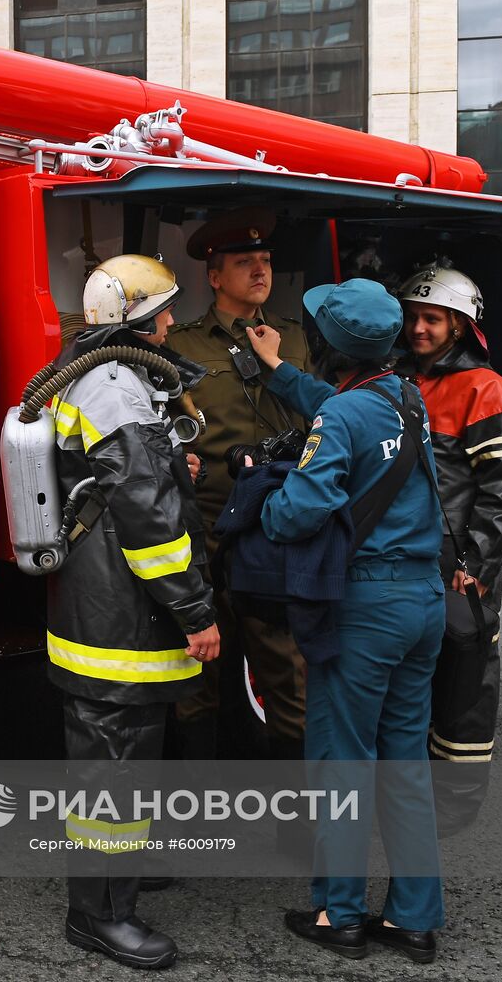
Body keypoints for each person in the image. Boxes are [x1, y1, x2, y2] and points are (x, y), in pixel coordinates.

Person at [245, 279, 446, 964]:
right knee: (406, 763)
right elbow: (344, 411)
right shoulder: (406, 398)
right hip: (423, 604)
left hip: (367, 609)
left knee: (342, 762)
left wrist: (260, 505)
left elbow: (301, 509)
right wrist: (282, 373)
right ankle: (415, 920)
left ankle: (341, 914)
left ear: (332, 344)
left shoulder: (345, 417)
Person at [47, 254, 220, 970]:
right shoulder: (118, 385)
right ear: (138, 323)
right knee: (114, 761)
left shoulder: (91, 374)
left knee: (123, 754)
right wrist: (196, 612)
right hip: (118, 612)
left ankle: (118, 878)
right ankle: (99, 916)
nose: (174, 322)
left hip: (97, 598)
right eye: (164, 313)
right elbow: (149, 519)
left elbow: (120, 479)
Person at [168, 208, 313, 764]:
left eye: (266, 260)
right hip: (206, 530)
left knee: (286, 674)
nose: (260, 270)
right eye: (245, 262)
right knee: (197, 670)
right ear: (213, 275)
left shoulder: (294, 340)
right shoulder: (182, 345)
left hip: (275, 528)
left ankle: (296, 826)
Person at [395, 264, 502, 827]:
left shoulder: (487, 390)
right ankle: (414, 796)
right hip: (408, 564)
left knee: (464, 685)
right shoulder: (402, 379)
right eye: (412, 317)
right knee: (413, 685)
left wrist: (477, 562)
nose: (418, 329)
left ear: (460, 325)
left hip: (459, 571)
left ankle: (455, 804)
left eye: (432, 319)